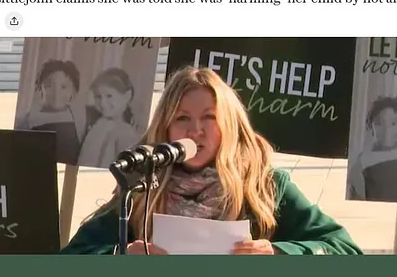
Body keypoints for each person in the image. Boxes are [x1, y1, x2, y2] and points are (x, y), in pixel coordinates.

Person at [61, 66, 362, 255]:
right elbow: (73, 256)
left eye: (209, 118)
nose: (196, 131)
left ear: (228, 126)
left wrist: (280, 254)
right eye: (182, 119)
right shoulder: (142, 188)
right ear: (165, 127)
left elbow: (344, 249)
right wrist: (119, 256)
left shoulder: (264, 186)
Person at [16, 59, 86, 165]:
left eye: (63, 87)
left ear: (74, 91)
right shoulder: (28, 120)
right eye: (49, 86)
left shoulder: (80, 119)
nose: (56, 92)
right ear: (40, 88)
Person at [78, 68, 139, 168]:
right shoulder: (98, 125)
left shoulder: (126, 133)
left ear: (127, 96)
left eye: (109, 96)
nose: (103, 103)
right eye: (98, 97)